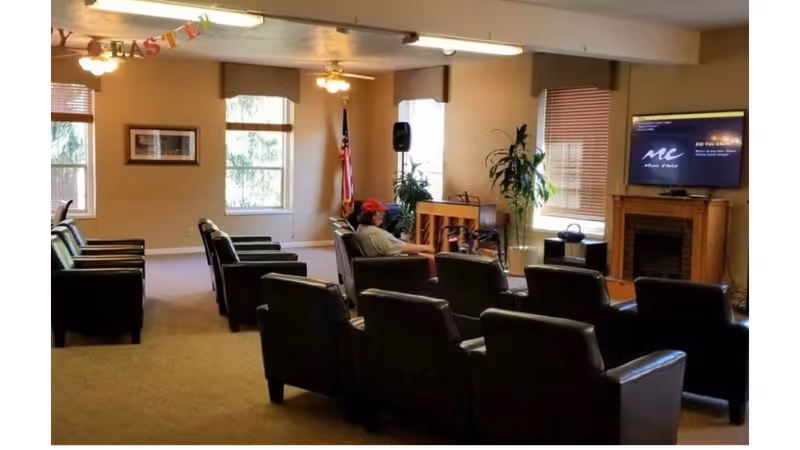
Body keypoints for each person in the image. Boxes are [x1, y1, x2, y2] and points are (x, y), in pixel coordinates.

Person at [355, 199, 434, 257]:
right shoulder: (376, 234)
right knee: (430, 258)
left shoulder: (361, 228)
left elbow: (397, 245)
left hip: (384, 263)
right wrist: (427, 247)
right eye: (380, 211)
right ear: (373, 216)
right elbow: (401, 247)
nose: (383, 214)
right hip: (393, 266)